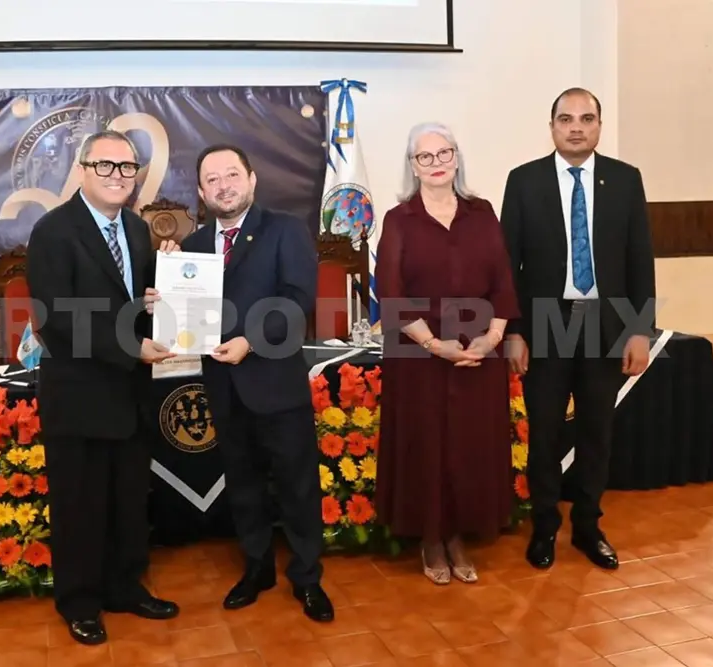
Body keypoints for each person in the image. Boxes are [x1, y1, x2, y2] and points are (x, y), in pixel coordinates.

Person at [26, 129, 180, 646]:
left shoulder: (137, 231)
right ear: (83, 169)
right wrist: (130, 346)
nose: (118, 176)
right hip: (79, 397)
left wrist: (164, 295)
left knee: (128, 503)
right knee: (81, 508)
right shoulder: (53, 231)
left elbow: (132, 303)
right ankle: (80, 603)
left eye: (126, 167)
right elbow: (57, 318)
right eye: (106, 166)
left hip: (129, 395)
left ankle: (124, 588)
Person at [175, 144, 334, 622]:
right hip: (223, 386)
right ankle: (258, 568)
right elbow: (188, 316)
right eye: (212, 179)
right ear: (201, 191)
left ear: (252, 178)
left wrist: (249, 340)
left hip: (276, 385)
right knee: (242, 486)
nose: (224, 184)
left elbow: (296, 300)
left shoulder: (285, 229)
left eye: (232, 174)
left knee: (297, 487)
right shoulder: (195, 246)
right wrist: (162, 300)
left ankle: (308, 579)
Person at [500, 88, 656, 571]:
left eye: (586, 119)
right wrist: (514, 331)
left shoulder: (625, 181)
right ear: (551, 127)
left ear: (598, 126)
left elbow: (639, 260)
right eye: (566, 119)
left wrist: (639, 330)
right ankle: (544, 527)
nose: (576, 127)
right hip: (546, 322)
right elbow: (509, 266)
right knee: (545, 432)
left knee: (596, 432)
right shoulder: (524, 182)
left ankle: (588, 527)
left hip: (605, 325)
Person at [373, 123, 520, 586]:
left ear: (457, 158)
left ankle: (458, 534)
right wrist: (435, 346)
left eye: (444, 154)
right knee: (427, 447)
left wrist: (493, 338)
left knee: (468, 448)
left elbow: (503, 282)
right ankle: (431, 538)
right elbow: (392, 295)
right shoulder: (399, 220)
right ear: (412, 166)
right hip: (419, 356)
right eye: (425, 157)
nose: (436, 164)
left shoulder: (483, 213)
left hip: (479, 353)